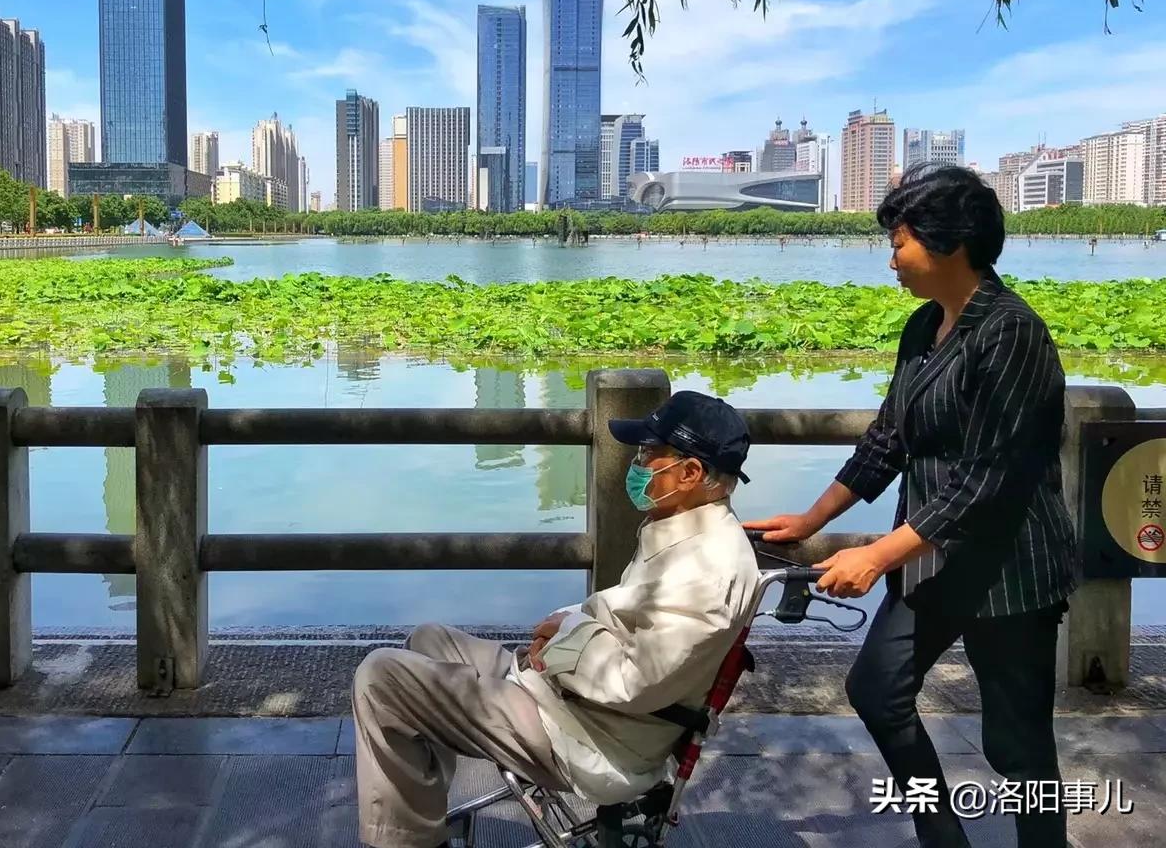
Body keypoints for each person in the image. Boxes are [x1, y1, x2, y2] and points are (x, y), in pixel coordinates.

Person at [745, 163, 1076, 848]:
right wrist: (812, 520)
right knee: (877, 689)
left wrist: (876, 555)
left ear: (951, 242)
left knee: (1016, 746)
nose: (891, 259)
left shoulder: (1011, 333)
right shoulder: (924, 326)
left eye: (899, 243)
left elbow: (988, 480)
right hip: (930, 558)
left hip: (1008, 570)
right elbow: (887, 440)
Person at [352, 391, 760, 848]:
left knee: (380, 678)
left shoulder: (706, 571)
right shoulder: (685, 531)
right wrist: (568, 627)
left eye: (649, 452)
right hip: (576, 703)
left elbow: (638, 681)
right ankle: (419, 816)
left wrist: (567, 637)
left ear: (690, 473)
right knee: (429, 640)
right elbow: (627, 619)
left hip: (593, 738)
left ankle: (409, 841)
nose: (638, 463)